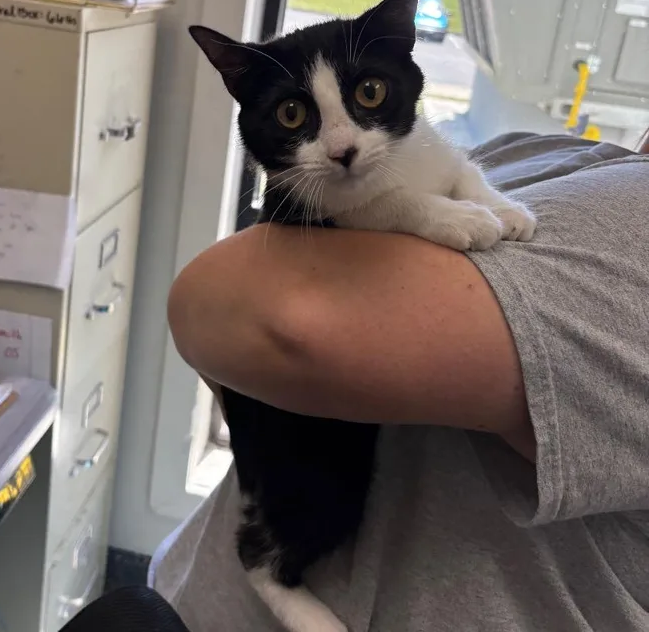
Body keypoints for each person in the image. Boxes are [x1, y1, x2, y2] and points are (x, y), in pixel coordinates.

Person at [153, 129, 649, 631]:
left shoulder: (628, 212)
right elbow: (227, 324)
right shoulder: (542, 149)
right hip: (190, 588)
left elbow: (256, 319)